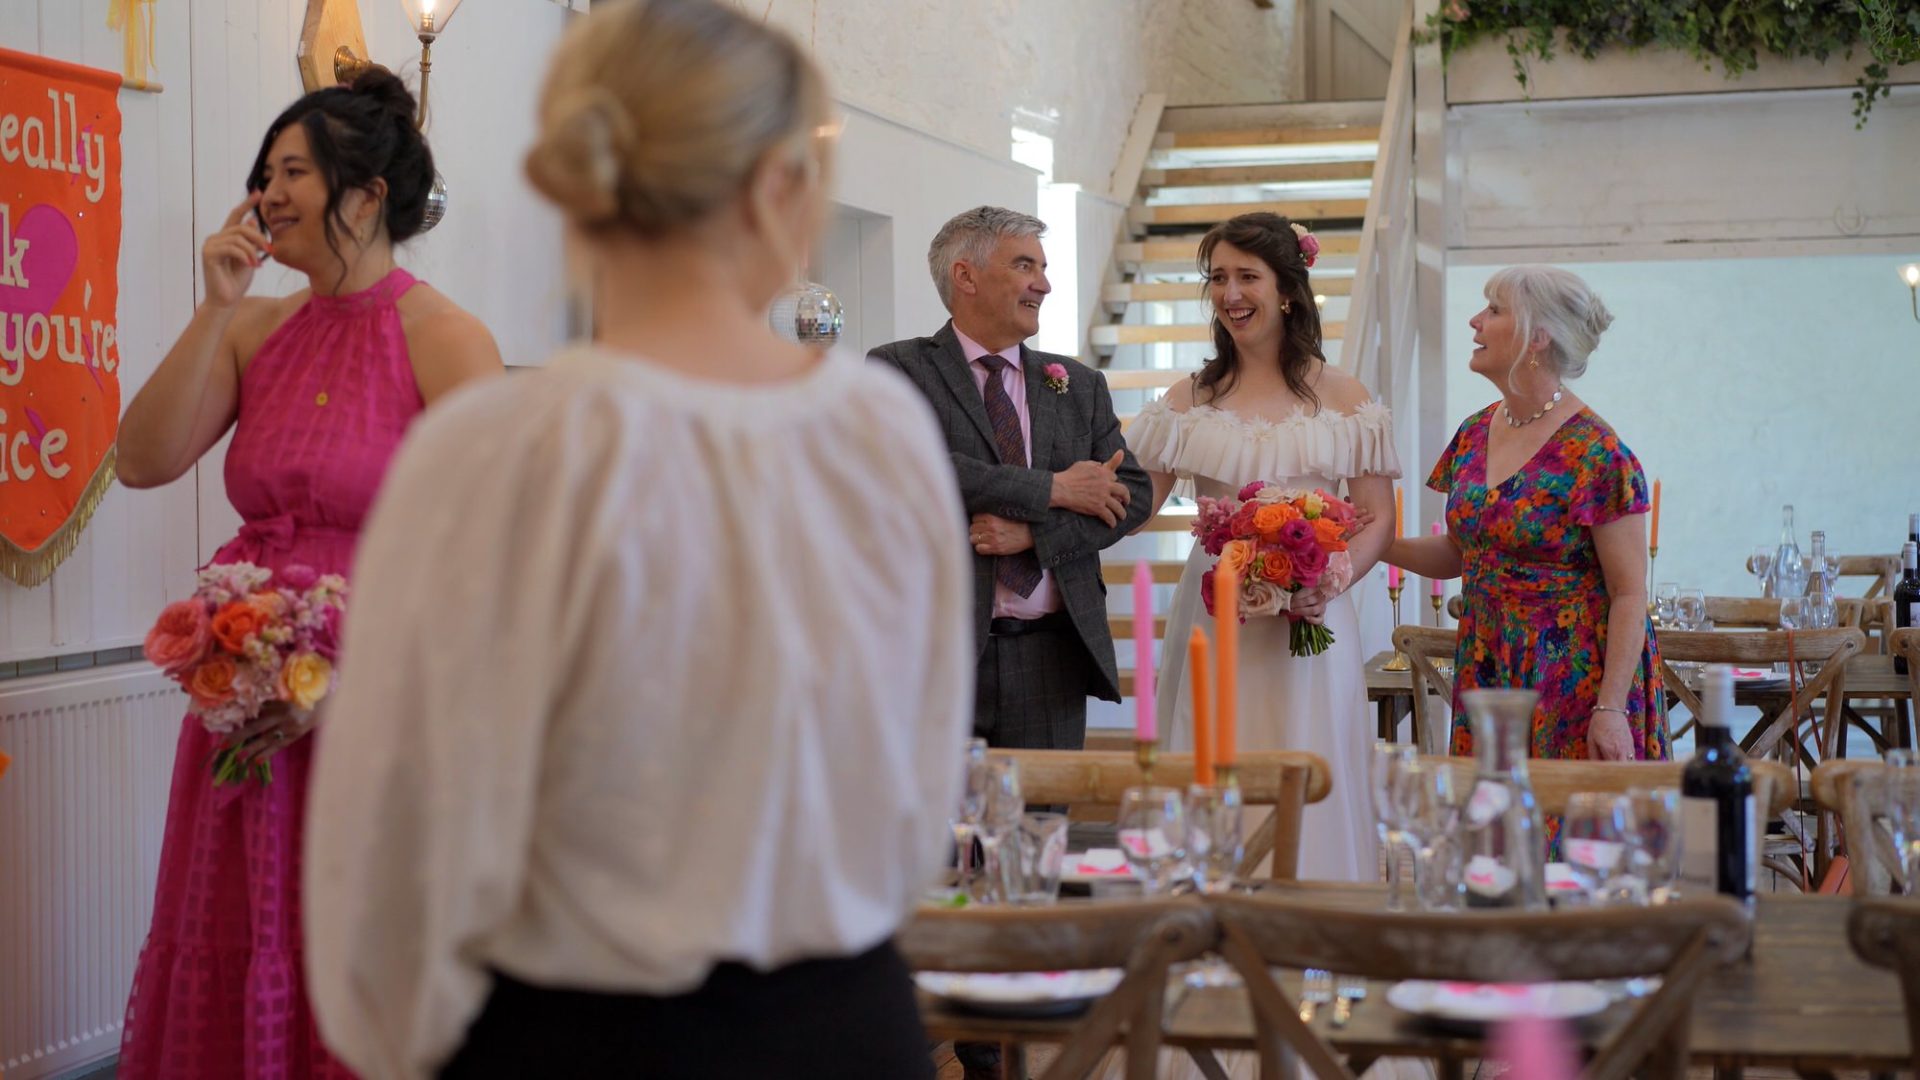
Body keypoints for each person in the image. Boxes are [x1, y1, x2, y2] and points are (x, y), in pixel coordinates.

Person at [302, 2, 971, 1078]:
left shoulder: (490, 448)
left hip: (570, 1033)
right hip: (840, 1022)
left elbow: (399, 823)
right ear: (777, 187)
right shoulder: (879, 429)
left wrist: (410, 1043)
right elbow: (923, 765)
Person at [114, 69, 501, 1077]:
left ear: (365, 193)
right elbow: (142, 460)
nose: (269, 192)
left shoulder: (447, 337)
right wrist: (215, 307)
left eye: (295, 171)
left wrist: (349, 679)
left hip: (381, 702)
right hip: (243, 695)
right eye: (266, 172)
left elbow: (492, 557)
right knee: (236, 921)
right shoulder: (254, 329)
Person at [1128, 212, 1396, 883]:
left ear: (1286, 290)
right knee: (1212, 747)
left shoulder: (1344, 395)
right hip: (1216, 609)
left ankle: (1314, 921)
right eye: (1217, 278)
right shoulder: (1189, 397)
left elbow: (1376, 518)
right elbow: (1133, 503)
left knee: (1307, 749)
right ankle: (1209, 913)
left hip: (1312, 612)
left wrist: (1327, 581)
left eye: (1247, 276)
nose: (1229, 293)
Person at [869, 207, 1151, 757]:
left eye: (1043, 267)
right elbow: (917, 464)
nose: (1043, 284)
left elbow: (1133, 493)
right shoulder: (898, 369)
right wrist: (1054, 489)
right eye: (1025, 265)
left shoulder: (1079, 383)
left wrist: (1036, 539)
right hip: (934, 656)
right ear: (965, 276)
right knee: (940, 841)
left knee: (1040, 834)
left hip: (1053, 658)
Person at [1384, 265, 1665, 772]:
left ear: (1537, 336)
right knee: (1494, 836)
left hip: (1573, 679)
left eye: (1493, 310)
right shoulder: (1473, 432)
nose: (1475, 321)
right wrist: (1375, 541)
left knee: (1564, 842)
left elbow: (1629, 593)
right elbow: (1460, 553)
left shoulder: (1597, 453)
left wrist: (1610, 707)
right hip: (1487, 666)